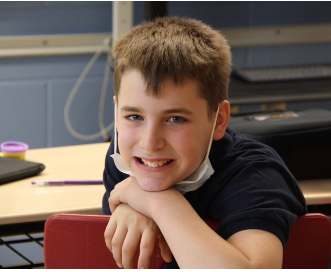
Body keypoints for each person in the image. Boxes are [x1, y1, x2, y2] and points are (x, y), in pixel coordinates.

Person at [101, 16, 307, 269]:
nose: (150, 143)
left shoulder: (256, 175)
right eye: (134, 116)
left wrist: (159, 204)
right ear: (117, 112)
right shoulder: (125, 158)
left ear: (218, 120)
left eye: (175, 118)